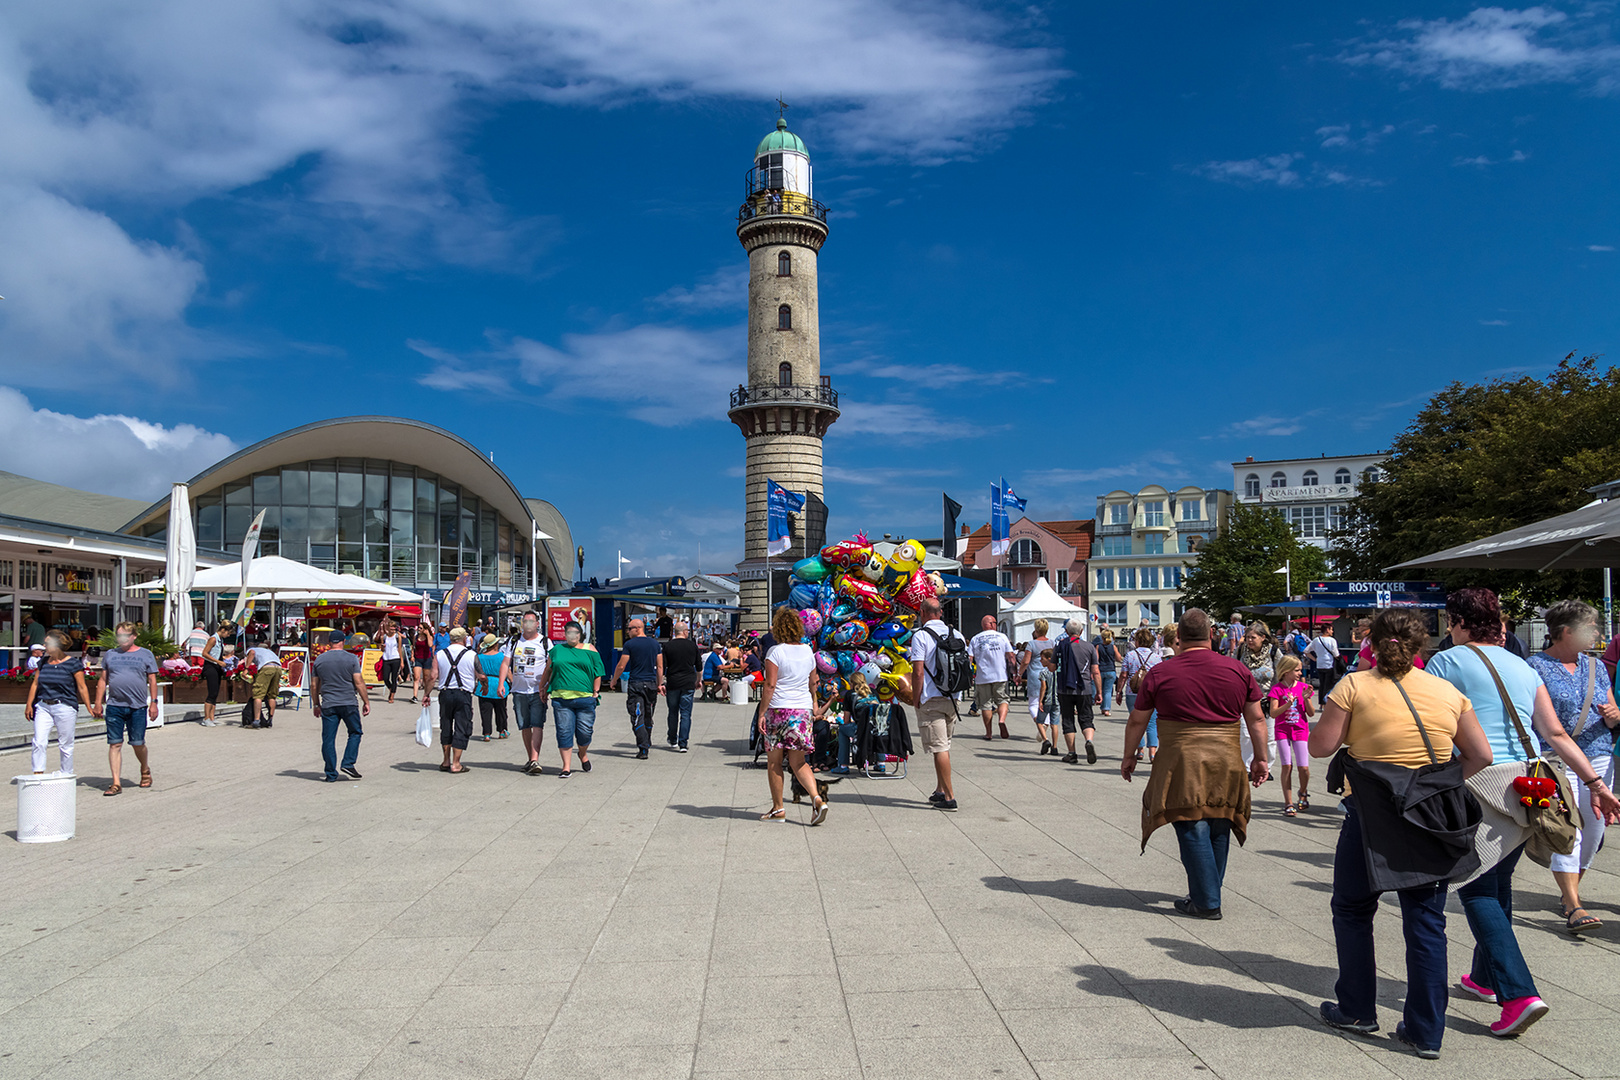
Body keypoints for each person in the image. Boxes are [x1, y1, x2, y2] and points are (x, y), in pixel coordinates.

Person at [1422, 590, 1616, 1042]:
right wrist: (1598, 786)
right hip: (1528, 783)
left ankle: (1519, 994)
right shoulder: (1522, 667)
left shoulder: (1447, 663)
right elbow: (1555, 733)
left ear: (1458, 621)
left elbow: (1434, 728)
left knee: (1475, 890)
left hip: (1479, 782)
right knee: (1497, 882)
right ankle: (1485, 978)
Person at [1313, 608, 1493, 1058]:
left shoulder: (1354, 686)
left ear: (1370, 643)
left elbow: (1320, 747)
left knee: (1353, 909)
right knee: (1427, 921)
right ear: (1421, 647)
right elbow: (1481, 755)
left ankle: (1356, 1008)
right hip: (1430, 817)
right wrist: (1435, 785)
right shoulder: (1447, 691)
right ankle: (1425, 1031)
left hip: (1370, 816)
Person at [1121, 609, 1269, 919]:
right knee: (1220, 821)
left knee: (1189, 822)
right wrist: (1260, 758)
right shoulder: (1238, 670)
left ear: (1178, 638)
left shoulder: (1161, 673)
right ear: (1212, 634)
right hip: (1227, 757)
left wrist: (1129, 755)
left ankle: (1206, 901)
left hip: (1181, 758)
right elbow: (1256, 718)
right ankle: (1207, 893)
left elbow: (1137, 720)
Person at [1522, 599, 1620, 934]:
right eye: (1590, 627)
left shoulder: (1594, 667)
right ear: (1565, 631)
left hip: (1598, 754)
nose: (1597, 632)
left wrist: (1614, 717)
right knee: (1568, 829)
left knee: (1594, 833)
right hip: (1555, 757)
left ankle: (1571, 891)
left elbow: (1611, 708)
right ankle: (1574, 905)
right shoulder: (1534, 667)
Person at [756, 606, 828, 824]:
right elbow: (813, 682)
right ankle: (816, 799)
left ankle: (779, 809)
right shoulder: (808, 651)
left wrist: (761, 712)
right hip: (802, 710)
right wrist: (814, 703)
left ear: (778, 629)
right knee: (799, 762)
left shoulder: (775, 652)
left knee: (774, 762)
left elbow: (770, 685)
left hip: (779, 709)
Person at [908, 597, 964, 812]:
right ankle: (940, 790)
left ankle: (949, 797)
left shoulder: (920, 636)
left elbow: (918, 671)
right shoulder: (956, 634)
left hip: (931, 697)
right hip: (953, 697)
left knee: (939, 748)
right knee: (944, 745)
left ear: (922, 613)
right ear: (940, 613)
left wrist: (916, 697)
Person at [93, 621, 159, 796]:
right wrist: (98, 702)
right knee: (115, 744)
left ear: (134, 636)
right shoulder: (110, 655)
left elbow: (152, 680)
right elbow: (102, 680)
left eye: (125, 635)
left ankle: (145, 769)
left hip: (137, 706)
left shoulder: (146, 654)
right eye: (119, 635)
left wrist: (154, 702)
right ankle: (116, 783)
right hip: (115, 705)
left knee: (137, 743)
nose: (122, 639)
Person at [537, 620, 604, 777]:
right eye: (569, 633)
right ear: (565, 634)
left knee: (585, 732)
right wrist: (542, 687)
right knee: (564, 731)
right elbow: (548, 670)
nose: (572, 635)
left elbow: (598, 672)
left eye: (575, 633)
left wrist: (596, 691)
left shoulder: (590, 649)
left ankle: (582, 754)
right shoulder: (557, 650)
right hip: (561, 698)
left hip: (585, 698)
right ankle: (566, 767)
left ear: (580, 635)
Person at [25, 630, 89, 775]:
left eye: (47, 643)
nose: (44, 646)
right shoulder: (43, 662)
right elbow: (35, 684)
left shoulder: (73, 664)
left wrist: (89, 707)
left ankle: (66, 773)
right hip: (43, 705)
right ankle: (38, 772)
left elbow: (82, 687)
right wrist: (29, 704)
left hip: (65, 706)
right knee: (39, 741)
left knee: (65, 744)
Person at [310, 630, 367, 782]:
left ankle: (330, 774)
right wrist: (366, 701)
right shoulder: (352, 658)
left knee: (328, 739)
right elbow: (359, 682)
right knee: (355, 732)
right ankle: (348, 762)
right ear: (343, 641)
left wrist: (316, 704)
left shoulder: (319, 660)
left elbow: (314, 685)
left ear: (329, 642)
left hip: (328, 703)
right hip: (348, 702)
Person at [1050, 619, 1101, 765]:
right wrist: (1099, 692)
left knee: (1068, 719)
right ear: (1082, 631)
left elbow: (1052, 667)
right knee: (1086, 718)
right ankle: (1089, 741)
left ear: (1066, 631)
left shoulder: (1060, 646)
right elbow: (1095, 671)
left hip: (1064, 688)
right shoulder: (1089, 647)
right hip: (1084, 688)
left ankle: (1072, 753)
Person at [611, 618, 663, 760]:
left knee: (637, 715)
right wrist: (660, 684)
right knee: (648, 715)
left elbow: (622, 665)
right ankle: (647, 741)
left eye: (629, 629)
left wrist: (614, 680)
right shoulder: (655, 644)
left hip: (636, 684)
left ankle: (643, 747)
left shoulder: (630, 645)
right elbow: (659, 666)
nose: (628, 632)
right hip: (651, 684)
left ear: (637, 628)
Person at [1268, 656, 1313, 815]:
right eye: (1297, 670)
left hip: (1300, 729)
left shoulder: (1302, 687)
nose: (1300, 673)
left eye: (1300, 670)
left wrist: (1306, 700)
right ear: (1286, 671)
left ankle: (1303, 791)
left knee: (1304, 767)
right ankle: (1288, 802)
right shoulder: (1277, 689)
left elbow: (1311, 713)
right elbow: (1273, 713)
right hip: (1282, 730)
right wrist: (1286, 704)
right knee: (1287, 765)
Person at [509, 612, 550, 775]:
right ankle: (531, 758)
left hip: (537, 691)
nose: (527, 624)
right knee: (524, 725)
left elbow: (551, 665)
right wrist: (504, 682)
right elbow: (505, 663)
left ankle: (534, 759)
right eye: (525, 621)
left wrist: (547, 685)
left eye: (531, 621)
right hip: (519, 691)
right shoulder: (513, 641)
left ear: (537, 624)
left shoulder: (545, 642)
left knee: (537, 724)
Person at [1237, 621, 1281, 769]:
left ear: (1263, 637)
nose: (1249, 640)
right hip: (1246, 700)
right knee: (1246, 734)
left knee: (1268, 736)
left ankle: (1267, 767)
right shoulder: (1242, 651)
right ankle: (1248, 767)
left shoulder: (1273, 652)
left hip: (1267, 700)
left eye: (1253, 637)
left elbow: (1282, 671)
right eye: (1247, 637)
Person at [434, 627, 478, 774]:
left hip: (445, 693)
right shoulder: (471, 654)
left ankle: (445, 761)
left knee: (445, 725)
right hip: (462, 694)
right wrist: (483, 686)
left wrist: (427, 694)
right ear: (464, 638)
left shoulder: (440, 654)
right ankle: (456, 764)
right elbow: (481, 675)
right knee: (462, 726)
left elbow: (432, 676)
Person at [968, 615, 1015, 740]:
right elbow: (1010, 656)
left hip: (983, 676)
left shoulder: (975, 638)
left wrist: (970, 674)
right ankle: (1001, 720)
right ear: (992, 624)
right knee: (1003, 700)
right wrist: (1015, 674)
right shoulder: (1002, 637)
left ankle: (988, 733)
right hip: (1000, 675)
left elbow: (969, 658)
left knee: (986, 705)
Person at [1120, 627, 1161, 761]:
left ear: (1137, 641)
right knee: (1152, 723)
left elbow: (1124, 675)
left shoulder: (1130, 656)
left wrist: (1119, 691)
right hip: (1151, 693)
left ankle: (1140, 750)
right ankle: (1153, 753)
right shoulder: (1156, 658)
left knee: (1136, 722)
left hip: (1133, 692)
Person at [662, 620, 702, 752]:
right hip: (688, 682)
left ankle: (672, 739)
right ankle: (683, 743)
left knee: (672, 712)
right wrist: (698, 680)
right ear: (685, 632)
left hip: (673, 682)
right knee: (686, 713)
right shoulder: (692, 646)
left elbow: (663, 666)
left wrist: (661, 682)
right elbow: (699, 667)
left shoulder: (667, 646)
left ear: (675, 632)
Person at [474, 633, 510, 741]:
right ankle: (502, 731)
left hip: (484, 685)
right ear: (495, 644)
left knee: (485, 711)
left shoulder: (479, 657)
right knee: (501, 710)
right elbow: (507, 671)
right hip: (499, 683)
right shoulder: (501, 657)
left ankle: (487, 733)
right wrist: (512, 682)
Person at [245, 636, 282, 728]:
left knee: (258, 694)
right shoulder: (267, 651)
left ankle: (256, 721)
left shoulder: (251, 650)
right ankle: (270, 719)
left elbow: (252, 653)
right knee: (272, 695)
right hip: (278, 667)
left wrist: (246, 669)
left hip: (267, 667)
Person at [198, 621, 230, 726]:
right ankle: (206, 718)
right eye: (228, 633)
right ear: (223, 630)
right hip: (210, 667)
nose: (228, 635)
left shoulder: (220, 640)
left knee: (215, 692)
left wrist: (224, 659)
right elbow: (204, 653)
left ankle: (212, 717)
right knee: (211, 692)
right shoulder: (213, 639)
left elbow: (217, 654)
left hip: (217, 667)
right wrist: (218, 661)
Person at [1028, 649, 1059, 754]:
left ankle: (1045, 740)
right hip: (1057, 700)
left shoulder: (1044, 672)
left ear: (1049, 659)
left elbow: (1043, 687)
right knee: (1054, 724)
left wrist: (1040, 701)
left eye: (1042, 659)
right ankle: (1055, 747)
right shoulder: (1059, 671)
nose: (1041, 661)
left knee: (1040, 721)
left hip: (1047, 700)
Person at [376, 619, 407, 704]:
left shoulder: (397, 637)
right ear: (388, 628)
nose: (393, 630)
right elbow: (382, 649)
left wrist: (402, 661)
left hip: (395, 658)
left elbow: (399, 649)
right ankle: (391, 689)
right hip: (386, 658)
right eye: (391, 629)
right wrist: (382, 646)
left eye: (394, 629)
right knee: (385, 678)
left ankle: (392, 695)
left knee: (394, 678)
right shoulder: (384, 637)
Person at [1305, 629, 1341, 699]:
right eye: (1331, 630)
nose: (1332, 631)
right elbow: (1336, 654)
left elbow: (1306, 651)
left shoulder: (1316, 640)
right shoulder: (1332, 640)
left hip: (1319, 664)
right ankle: (1325, 702)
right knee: (1328, 684)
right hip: (1329, 664)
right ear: (1327, 630)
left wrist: (1315, 659)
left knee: (1322, 684)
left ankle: (1321, 703)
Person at [1093, 626, 1121, 717]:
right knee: (1108, 691)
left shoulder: (1098, 646)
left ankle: (1102, 706)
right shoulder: (1113, 647)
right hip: (1111, 670)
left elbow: (1096, 659)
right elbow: (1118, 658)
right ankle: (1106, 709)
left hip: (1101, 670)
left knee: (1100, 690)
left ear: (1102, 637)